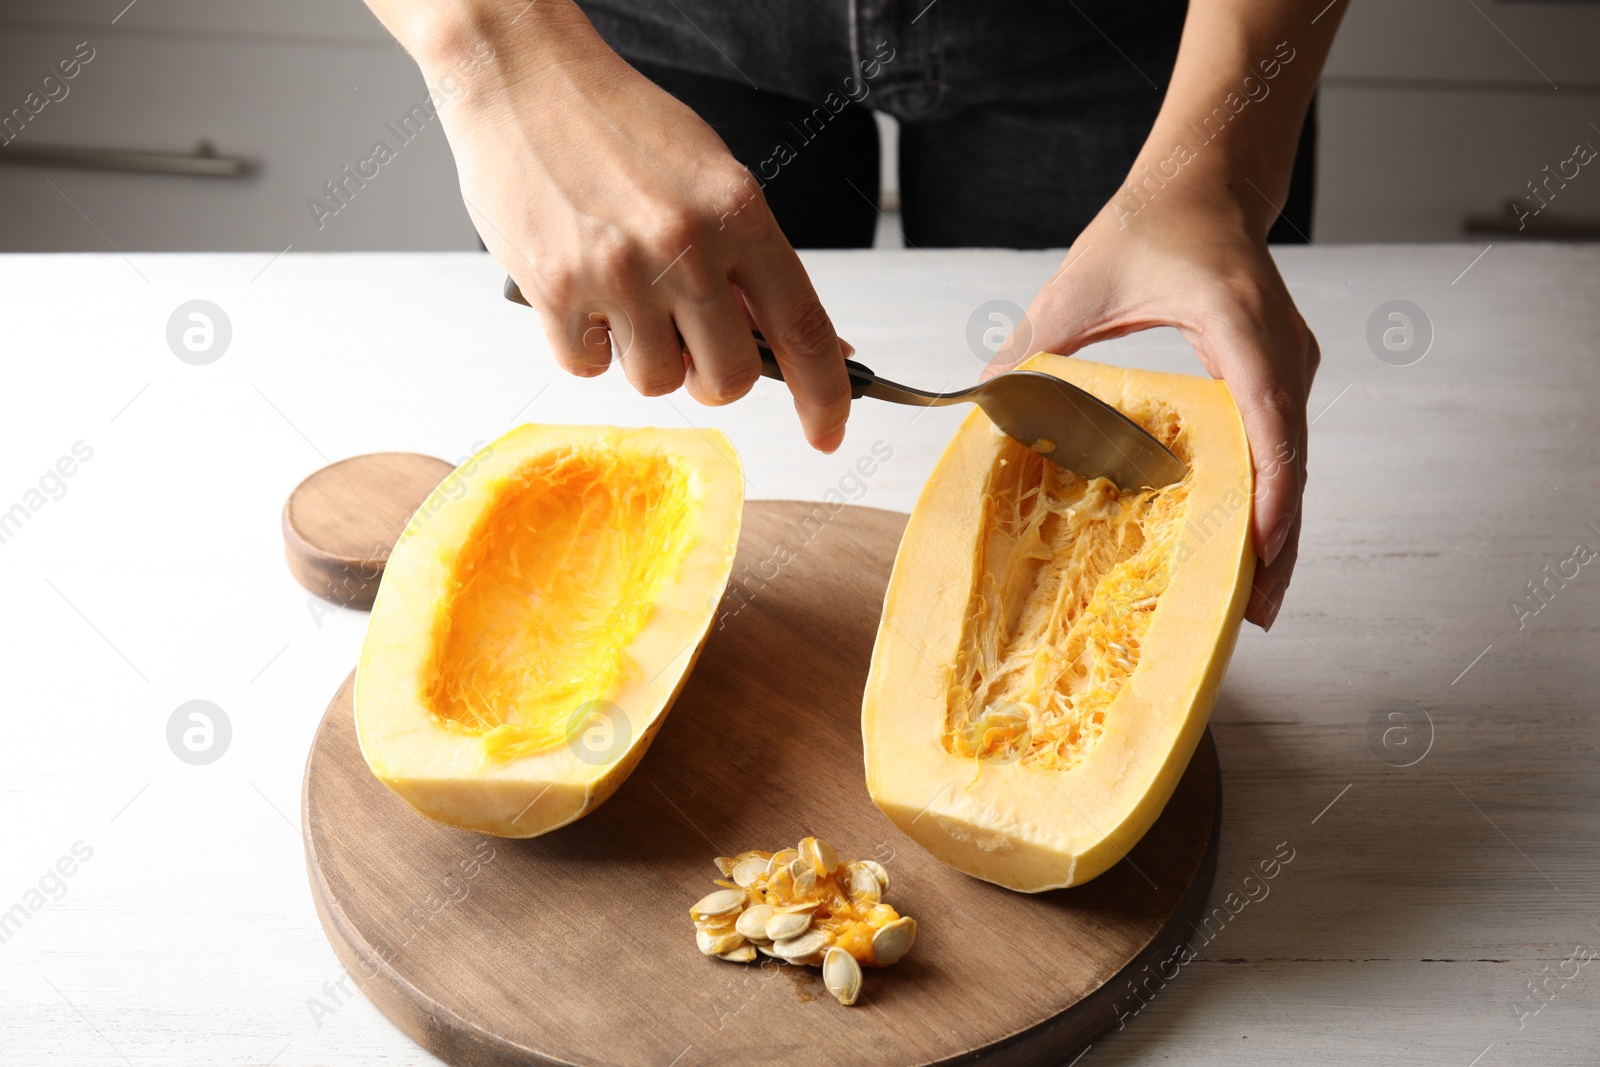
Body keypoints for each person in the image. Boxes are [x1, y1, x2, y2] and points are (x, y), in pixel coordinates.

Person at [364, 0, 1343, 630]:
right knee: (676, 373)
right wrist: (487, 44)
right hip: (619, 32)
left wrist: (1217, 170)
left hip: (1124, 41)